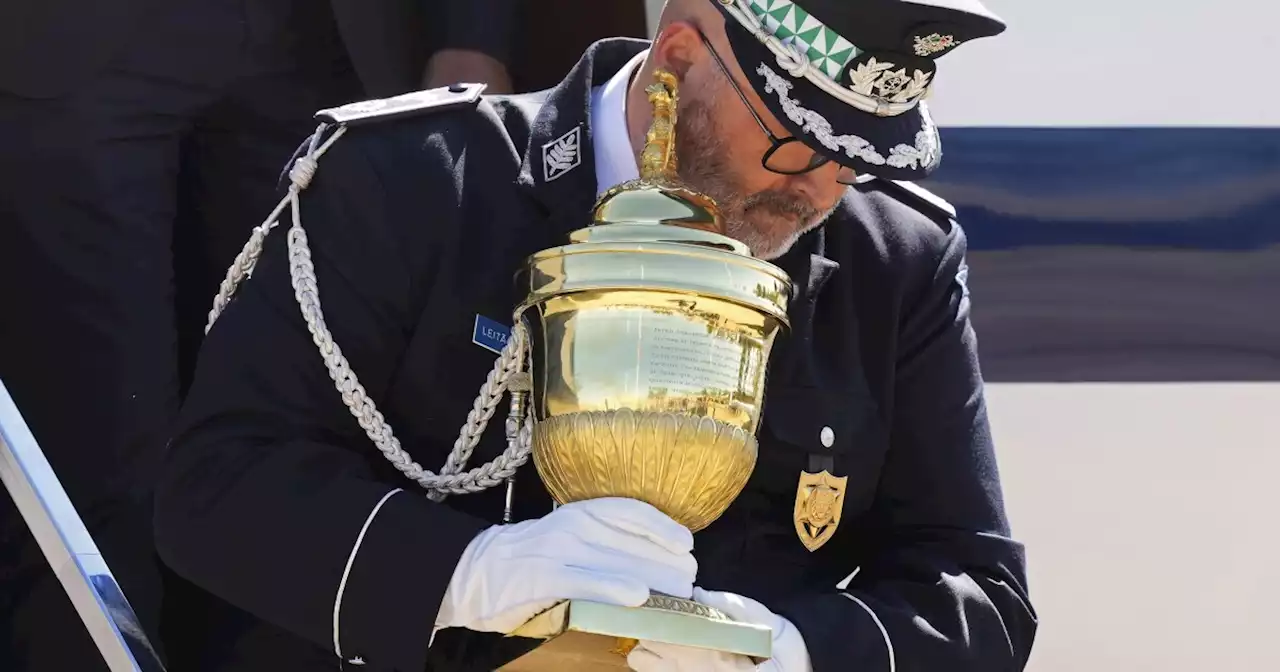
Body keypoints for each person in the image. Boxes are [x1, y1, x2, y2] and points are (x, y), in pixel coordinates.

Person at [153, 0, 1039, 670]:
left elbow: (980, 594)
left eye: (864, 157)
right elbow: (219, 488)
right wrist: (468, 573)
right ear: (680, 57)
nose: (822, 192)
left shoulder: (897, 258)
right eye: (799, 141)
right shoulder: (412, 181)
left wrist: (787, 653)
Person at [0, 1, 518, 670]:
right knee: (97, 441)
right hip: (71, 48)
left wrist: (473, 36)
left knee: (304, 439)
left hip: (325, 46)